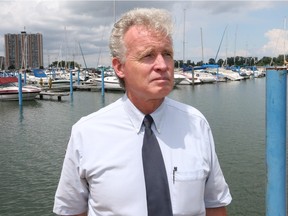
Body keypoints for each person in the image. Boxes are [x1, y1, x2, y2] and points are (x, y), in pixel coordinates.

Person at [53, 7, 232, 216]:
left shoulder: (196, 124)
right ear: (119, 67)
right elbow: (73, 210)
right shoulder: (87, 133)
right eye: (148, 55)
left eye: (167, 54)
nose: (162, 65)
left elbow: (214, 204)